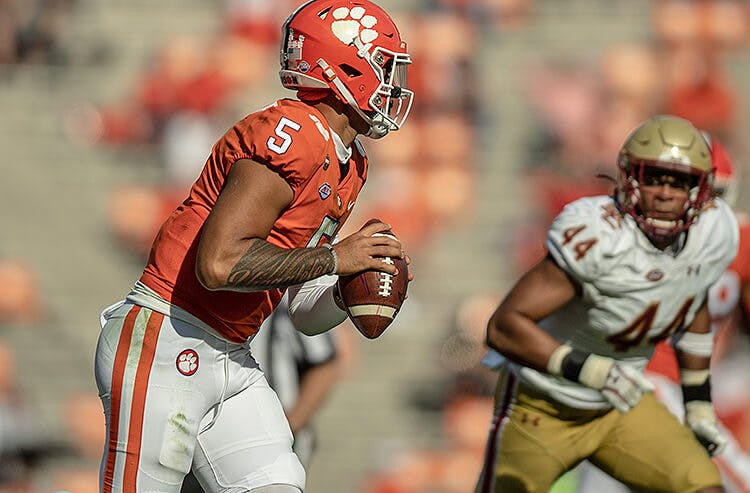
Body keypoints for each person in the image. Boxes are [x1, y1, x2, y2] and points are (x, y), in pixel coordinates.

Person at [94, 1, 414, 492]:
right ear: (345, 65)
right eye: (385, 67)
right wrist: (336, 258)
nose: (393, 85)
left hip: (230, 352)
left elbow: (303, 312)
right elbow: (218, 264)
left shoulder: (349, 162)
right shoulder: (295, 135)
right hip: (167, 337)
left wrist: (350, 290)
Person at [476, 115, 739, 493]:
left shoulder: (714, 232)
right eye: (654, 177)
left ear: (700, 191)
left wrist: (698, 404)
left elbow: (693, 297)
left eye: (679, 182)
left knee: (703, 486)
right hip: (543, 404)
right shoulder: (599, 235)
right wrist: (594, 371)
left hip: (621, 405)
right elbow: (503, 327)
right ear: (630, 178)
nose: (665, 193)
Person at [576, 132, 750, 493]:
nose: (699, 212)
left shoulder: (740, 242)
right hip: (637, 380)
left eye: (710, 197)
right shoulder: (617, 234)